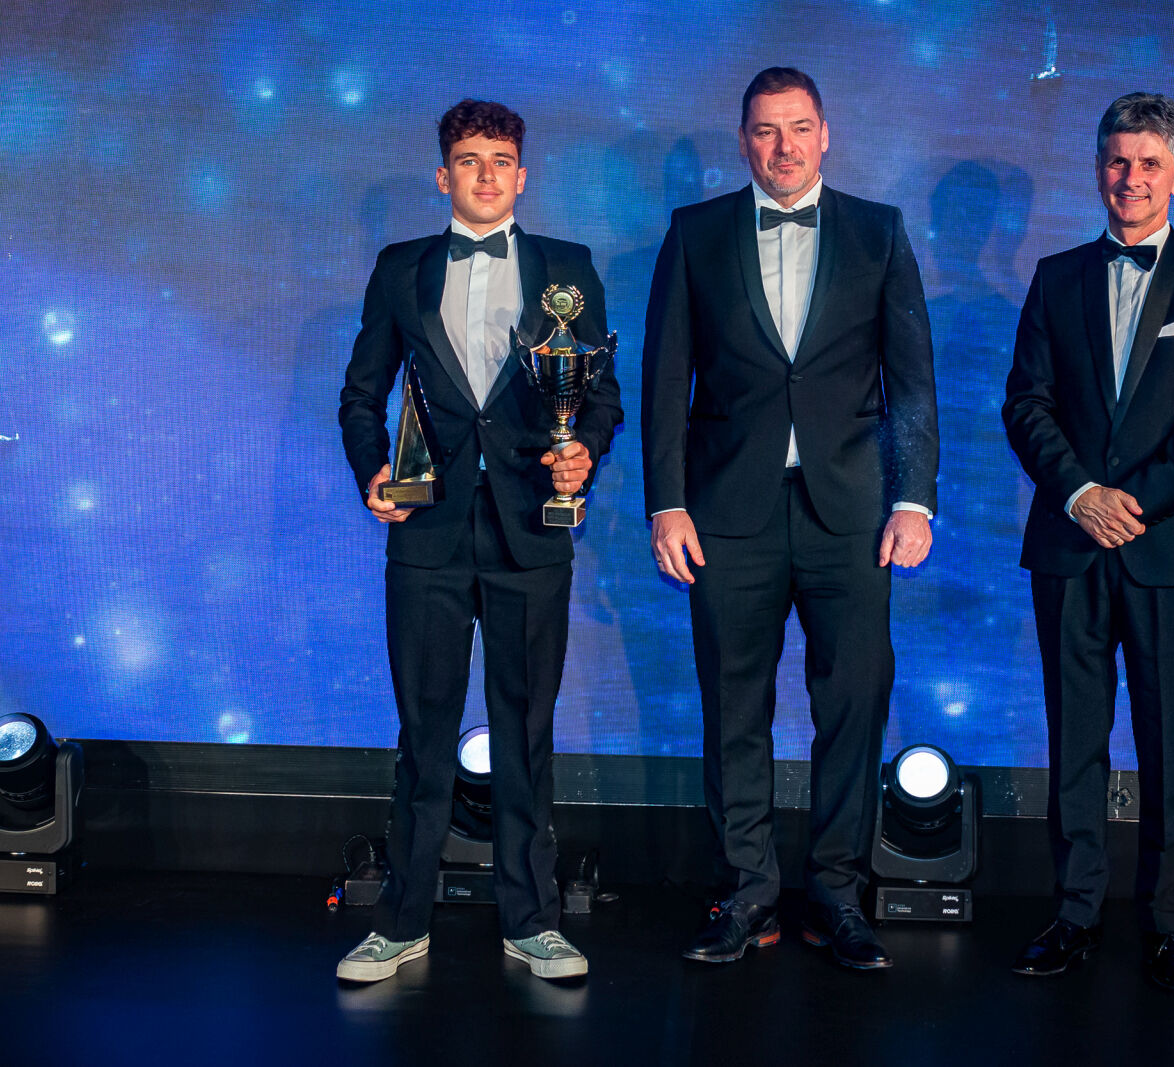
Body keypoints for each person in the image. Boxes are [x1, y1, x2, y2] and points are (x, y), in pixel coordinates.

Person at [641, 67, 938, 970]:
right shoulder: (695, 233)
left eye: (799, 127)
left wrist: (913, 498)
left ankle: (838, 893)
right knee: (735, 707)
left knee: (852, 705)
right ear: (743, 140)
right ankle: (747, 892)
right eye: (766, 130)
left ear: (825, 133)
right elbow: (665, 380)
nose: (783, 146)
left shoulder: (878, 231)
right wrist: (666, 501)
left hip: (851, 515)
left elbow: (911, 380)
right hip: (726, 514)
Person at [336, 99, 622, 983]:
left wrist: (585, 452)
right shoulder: (402, 269)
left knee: (525, 730)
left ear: (523, 175)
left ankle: (531, 920)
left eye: (501, 160)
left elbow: (601, 397)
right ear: (443, 176)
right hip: (427, 531)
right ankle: (400, 922)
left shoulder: (567, 267)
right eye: (469, 160)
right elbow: (360, 394)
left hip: (531, 529)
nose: (486, 175)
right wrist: (371, 473)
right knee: (422, 732)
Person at [1001, 92, 1174, 993]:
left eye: (1149, 163)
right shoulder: (1056, 276)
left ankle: (1165, 923)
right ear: (1098, 168)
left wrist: (1128, 503)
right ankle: (1074, 914)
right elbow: (1025, 403)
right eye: (1118, 160)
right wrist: (1080, 495)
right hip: (1070, 543)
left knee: (1168, 741)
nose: (1131, 178)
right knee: (1074, 739)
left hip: (1171, 550)